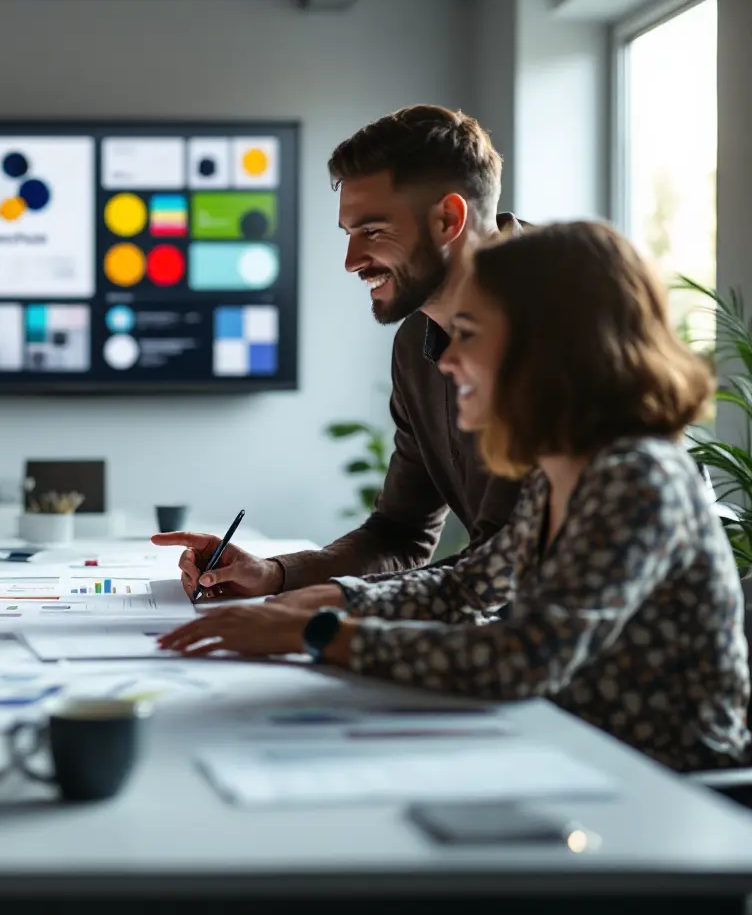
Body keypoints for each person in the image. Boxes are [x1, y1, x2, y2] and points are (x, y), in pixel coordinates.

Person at [158, 222, 750, 772]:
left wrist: (319, 635)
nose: (445, 359)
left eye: (468, 334)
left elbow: (527, 656)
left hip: (665, 796)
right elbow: (470, 587)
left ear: (545, 346)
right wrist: (326, 600)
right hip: (574, 757)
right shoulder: (562, 471)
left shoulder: (637, 477)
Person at [156, 106, 524, 610]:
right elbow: (400, 533)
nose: (351, 262)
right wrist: (274, 575)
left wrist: (322, 609)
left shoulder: (558, 324)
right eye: (348, 233)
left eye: (372, 231)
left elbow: (505, 573)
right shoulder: (418, 338)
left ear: (448, 219)